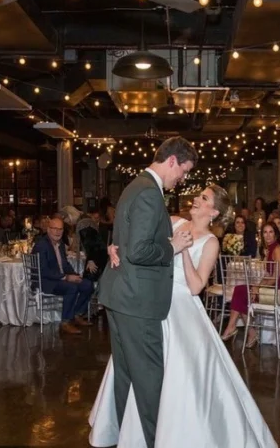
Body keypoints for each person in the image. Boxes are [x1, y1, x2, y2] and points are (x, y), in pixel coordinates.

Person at [89, 180, 277, 447]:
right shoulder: (173, 221)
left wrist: (184, 250)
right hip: (150, 299)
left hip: (180, 306)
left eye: (203, 198)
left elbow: (197, 286)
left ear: (213, 212)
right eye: (198, 196)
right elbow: (137, 237)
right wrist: (115, 247)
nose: (196, 200)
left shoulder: (211, 242)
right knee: (138, 363)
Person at [92, 137, 196, 448]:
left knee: (127, 375)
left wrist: (115, 248)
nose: (183, 179)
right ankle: (154, 442)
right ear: (173, 161)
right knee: (150, 378)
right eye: (184, 171)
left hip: (121, 294)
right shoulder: (150, 193)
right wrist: (172, 246)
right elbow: (138, 250)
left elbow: (124, 238)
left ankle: (127, 437)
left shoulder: (134, 185)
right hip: (138, 301)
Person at [220, 221, 280, 347]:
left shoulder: (278, 249)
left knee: (240, 292)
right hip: (269, 289)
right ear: (262, 235)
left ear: (276, 234)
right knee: (241, 292)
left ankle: (238, 329)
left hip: (279, 292)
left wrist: (257, 288)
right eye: (265, 232)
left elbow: (275, 278)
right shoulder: (269, 249)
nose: (268, 235)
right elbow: (267, 275)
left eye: (271, 232)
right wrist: (256, 288)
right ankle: (247, 331)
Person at [32, 217, 94, 335]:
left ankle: (77, 314)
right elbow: (43, 271)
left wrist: (75, 275)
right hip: (46, 281)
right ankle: (65, 322)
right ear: (48, 230)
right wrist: (65, 277)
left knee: (87, 284)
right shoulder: (41, 245)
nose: (58, 232)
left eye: (60, 229)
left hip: (60, 279)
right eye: (55, 229)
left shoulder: (60, 244)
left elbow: (65, 265)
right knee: (72, 287)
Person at [77, 208, 108, 282]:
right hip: (100, 256)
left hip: (95, 257)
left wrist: (90, 259)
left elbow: (91, 244)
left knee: (89, 280)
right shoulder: (91, 228)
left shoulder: (85, 228)